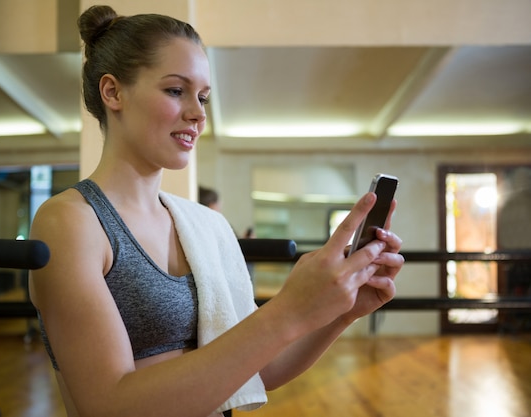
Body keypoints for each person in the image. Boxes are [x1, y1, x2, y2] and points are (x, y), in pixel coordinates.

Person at [28, 5, 404, 417]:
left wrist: (342, 312)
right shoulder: (70, 222)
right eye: (176, 91)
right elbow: (110, 404)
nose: (198, 113)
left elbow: (258, 368)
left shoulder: (204, 226)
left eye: (203, 97)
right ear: (113, 92)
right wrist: (287, 310)